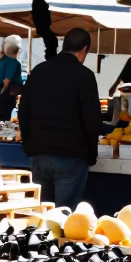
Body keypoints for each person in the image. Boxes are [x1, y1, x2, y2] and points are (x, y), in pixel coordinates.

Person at [18, 28, 102, 209]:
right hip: (70, 156)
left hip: (38, 154)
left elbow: (23, 111)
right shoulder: (84, 76)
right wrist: (91, 153)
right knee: (65, 218)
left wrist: (28, 145)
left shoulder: (39, 71)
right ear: (84, 50)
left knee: (42, 215)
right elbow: (92, 119)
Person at [0, 35, 24, 121]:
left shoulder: (7, 61)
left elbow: (6, 82)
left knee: (1, 120)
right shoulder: (11, 61)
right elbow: (5, 82)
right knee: (2, 120)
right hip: (4, 97)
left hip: (3, 97)